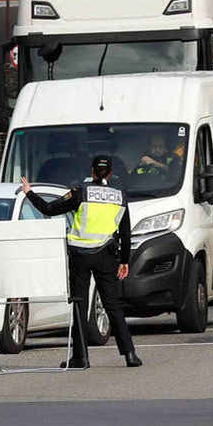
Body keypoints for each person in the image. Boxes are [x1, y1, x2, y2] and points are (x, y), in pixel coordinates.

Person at [18, 155, 141, 368]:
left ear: (92, 171)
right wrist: (124, 261)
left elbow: (49, 209)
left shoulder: (80, 192)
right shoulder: (119, 196)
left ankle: (81, 357)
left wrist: (29, 192)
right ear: (110, 173)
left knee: (80, 306)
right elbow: (125, 231)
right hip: (106, 256)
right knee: (112, 305)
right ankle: (130, 354)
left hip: (80, 256)